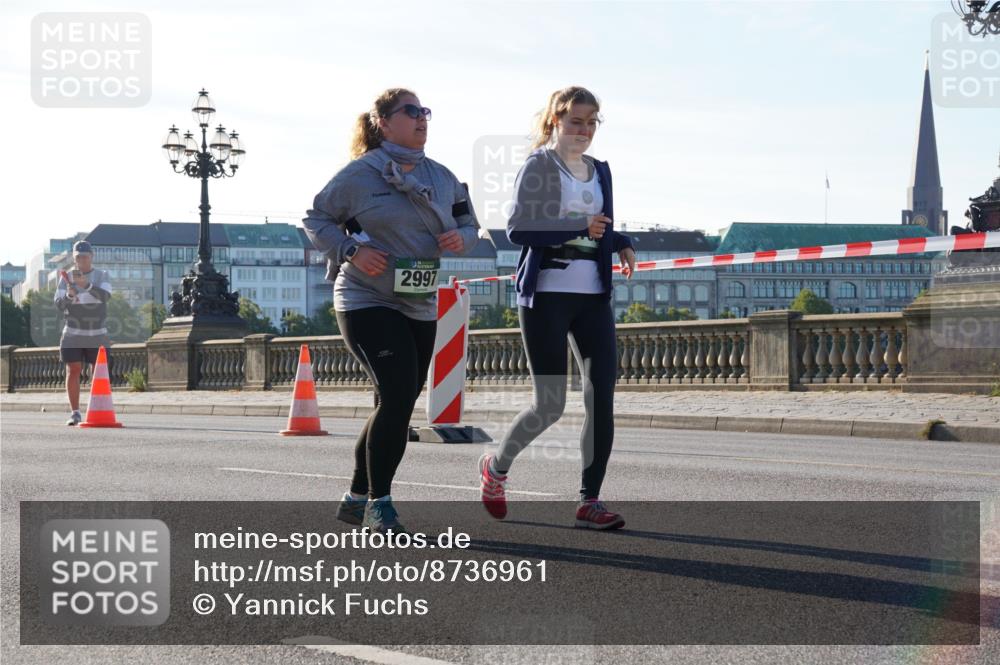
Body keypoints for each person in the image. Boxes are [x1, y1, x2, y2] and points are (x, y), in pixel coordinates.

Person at [303, 88, 480, 535]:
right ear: (383, 121)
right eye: (411, 111)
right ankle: (380, 506)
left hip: (418, 303)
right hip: (366, 298)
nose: (422, 118)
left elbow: (470, 223)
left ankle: (355, 497)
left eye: (425, 112)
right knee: (399, 393)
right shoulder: (359, 176)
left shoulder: (442, 177)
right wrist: (350, 251)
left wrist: (463, 238)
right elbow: (315, 218)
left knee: (395, 403)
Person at [478, 86, 636, 530]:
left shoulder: (599, 170)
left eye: (591, 123)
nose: (584, 131)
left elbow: (600, 226)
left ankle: (590, 499)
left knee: (600, 395)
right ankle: (497, 467)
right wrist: (577, 226)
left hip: (593, 297)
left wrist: (620, 243)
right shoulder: (540, 165)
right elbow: (518, 229)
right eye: (575, 122)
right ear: (556, 122)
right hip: (546, 295)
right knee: (550, 404)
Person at [54, 240, 113, 426]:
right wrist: (70, 295)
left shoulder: (103, 275)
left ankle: (95, 408)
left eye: (85, 256)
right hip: (72, 332)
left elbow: (105, 297)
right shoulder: (66, 277)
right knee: (74, 370)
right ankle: (75, 412)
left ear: (91, 257)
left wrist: (86, 285)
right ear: (74, 258)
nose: (81, 260)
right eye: (78, 257)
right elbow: (58, 304)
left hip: (97, 333)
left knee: (98, 373)